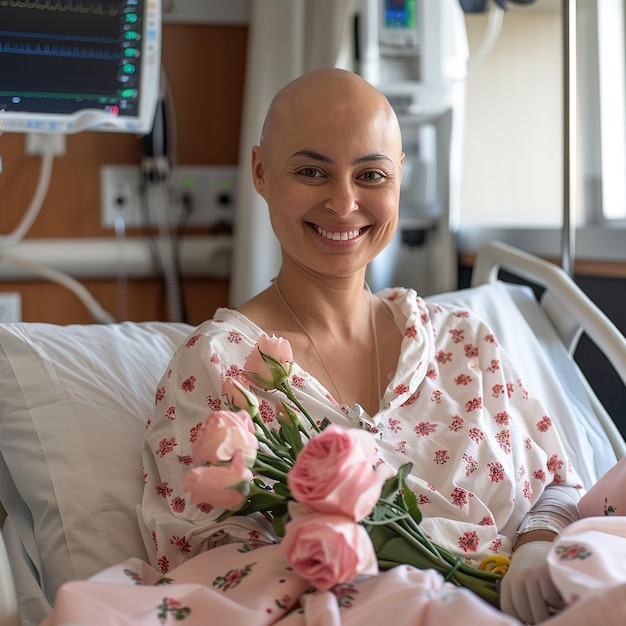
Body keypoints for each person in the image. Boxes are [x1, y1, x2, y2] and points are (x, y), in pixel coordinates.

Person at [135, 68, 587, 625]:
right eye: (311, 171)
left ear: (399, 177)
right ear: (260, 172)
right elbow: (206, 564)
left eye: (370, 174)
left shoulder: (460, 341)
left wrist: (537, 546)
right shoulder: (220, 367)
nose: (344, 203)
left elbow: (559, 485)